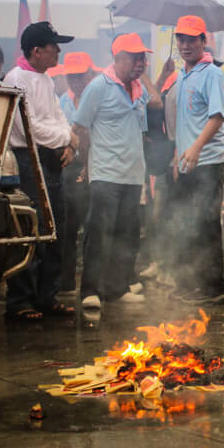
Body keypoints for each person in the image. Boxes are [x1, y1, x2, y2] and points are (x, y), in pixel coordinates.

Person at [73, 33, 160, 307]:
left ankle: (117, 288)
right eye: (135, 57)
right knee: (99, 233)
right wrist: (87, 165)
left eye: (143, 57)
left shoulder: (138, 90)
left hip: (133, 175)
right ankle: (90, 291)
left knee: (127, 233)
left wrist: (143, 76)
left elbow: (150, 113)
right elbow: (80, 127)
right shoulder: (98, 87)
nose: (140, 62)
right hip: (105, 174)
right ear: (118, 58)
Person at [2, 22, 78, 320]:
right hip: (25, 158)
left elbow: (59, 116)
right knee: (30, 229)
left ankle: (47, 296)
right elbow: (28, 128)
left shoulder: (45, 80)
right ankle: (20, 301)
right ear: (36, 50)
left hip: (49, 158)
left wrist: (68, 140)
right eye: (53, 46)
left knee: (54, 227)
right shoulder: (16, 79)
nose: (58, 51)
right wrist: (65, 138)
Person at [167, 16, 224, 304]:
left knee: (206, 223)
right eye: (180, 39)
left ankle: (214, 288)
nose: (185, 45)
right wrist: (178, 155)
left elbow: (217, 116)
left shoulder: (212, 74)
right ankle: (191, 283)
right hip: (187, 161)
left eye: (191, 40)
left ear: (204, 41)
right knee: (187, 223)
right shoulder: (182, 74)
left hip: (208, 160)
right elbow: (184, 121)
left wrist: (194, 148)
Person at [54, 52, 101, 296]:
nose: (77, 81)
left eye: (81, 75)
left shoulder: (97, 97)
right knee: (68, 226)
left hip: (96, 167)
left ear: (90, 74)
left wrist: (88, 166)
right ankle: (66, 283)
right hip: (70, 169)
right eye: (72, 76)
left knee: (92, 226)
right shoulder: (62, 101)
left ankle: (94, 285)